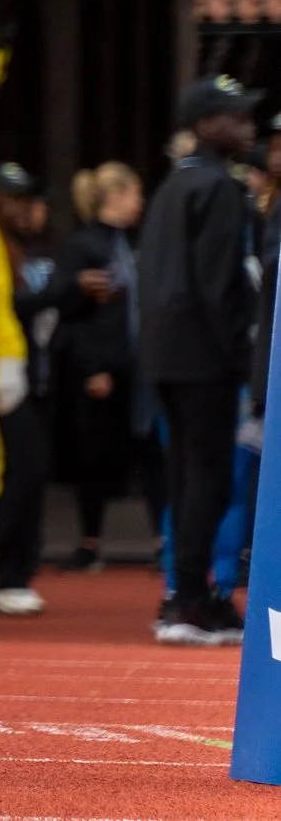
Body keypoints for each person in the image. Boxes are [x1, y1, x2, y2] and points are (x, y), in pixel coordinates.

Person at [136, 74, 262, 646]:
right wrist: (242, 353)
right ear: (207, 123)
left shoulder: (172, 185)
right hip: (205, 356)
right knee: (206, 479)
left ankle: (183, 593)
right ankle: (190, 600)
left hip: (166, 352)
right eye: (236, 117)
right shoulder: (220, 188)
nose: (247, 126)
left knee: (185, 475)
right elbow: (220, 283)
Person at [0, 162, 73, 616]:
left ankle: (18, 570)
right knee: (16, 473)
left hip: (36, 379)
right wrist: (57, 295)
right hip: (2, 380)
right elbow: (4, 306)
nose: (30, 211)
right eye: (20, 201)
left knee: (31, 473)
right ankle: (1, 571)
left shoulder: (33, 252)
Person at [58, 162, 147, 572]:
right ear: (114, 196)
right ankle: (89, 540)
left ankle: (158, 536)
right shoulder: (84, 245)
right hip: (98, 369)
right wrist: (92, 366)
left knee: (129, 451)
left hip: (132, 364)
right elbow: (72, 313)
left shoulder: (128, 243)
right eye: (135, 194)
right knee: (93, 453)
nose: (140, 203)